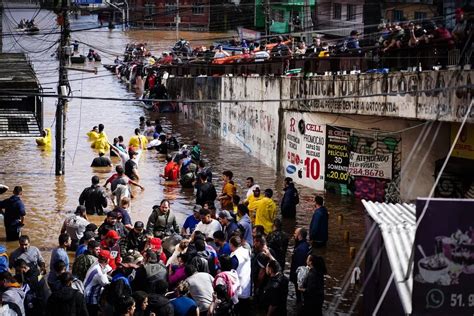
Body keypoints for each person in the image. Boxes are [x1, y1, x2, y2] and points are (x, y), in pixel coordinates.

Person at [84, 249, 112, 316]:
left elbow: (109, 270)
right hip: (90, 298)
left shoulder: (96, 263)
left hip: (85, 293)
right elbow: (107, 285)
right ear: (107, 260)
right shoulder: (100, 273)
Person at [229, 235, 251, 314]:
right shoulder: (247, 251)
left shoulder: (234, 257)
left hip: (238, 290)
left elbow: (231, 274)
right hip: (247, 287)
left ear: (231, 244)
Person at [290, 228, 310, 303]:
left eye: (295, 234)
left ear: (299, 236)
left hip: (300, 277)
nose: (294, 235)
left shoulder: (300, 249)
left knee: (300, 296)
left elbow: (299, 265)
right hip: (304, 275)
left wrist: (296, 278)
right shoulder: (306, 245)